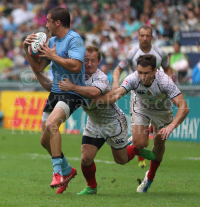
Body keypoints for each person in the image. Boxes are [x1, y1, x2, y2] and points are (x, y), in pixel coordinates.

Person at [33, 46, 155, 195]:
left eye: (93, 60)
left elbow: (93, 92)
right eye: (86, 60)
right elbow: (54, 86)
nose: (89, 63)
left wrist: (71, 87)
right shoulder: (76, 75)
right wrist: (38, 71)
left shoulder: (101, 77)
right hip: (94, 122)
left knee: (121, 160)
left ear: (99, 61)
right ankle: (91, 186)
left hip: (113, 122)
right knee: (86, 157)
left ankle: (136, 149)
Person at [94, 54, 189, 193]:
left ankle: (149, 177)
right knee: (140, 144)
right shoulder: (133, 78)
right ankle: (140, 137)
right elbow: (116, 94)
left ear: (155, 71)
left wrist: (171, 126)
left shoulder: (165, 81)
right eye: (140, 72)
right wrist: (94, 100)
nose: (142, 77)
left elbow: (184, 107)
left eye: (146, 73)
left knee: (159, 142)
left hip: (162, 111)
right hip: (141, 108)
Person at [23, 7, 87, 192]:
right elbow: (38, 68)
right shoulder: (51, 41)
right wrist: (26, 49)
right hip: (56, 92)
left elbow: (76, 67)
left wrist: (53, 56)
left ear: (57, 22)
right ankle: (67, 170)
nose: (46, 23)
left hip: (72, 92)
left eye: (48, 20)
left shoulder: (74, 39)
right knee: (44, 141)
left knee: (52, 124)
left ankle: (58, 172)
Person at [112, 25, 173, 167]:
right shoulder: (131, 53)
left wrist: (170, 82)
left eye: (147, 35)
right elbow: (118, 68)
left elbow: (168, 67)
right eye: (142, 35)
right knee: (141, 140)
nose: (144, 38)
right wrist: (116, 82)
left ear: (152, 37)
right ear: (138, 37)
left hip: (158, 97)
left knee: (157, 138)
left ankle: (138, 145)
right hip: (138, 96)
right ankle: (140, 154)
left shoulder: (161, 53)